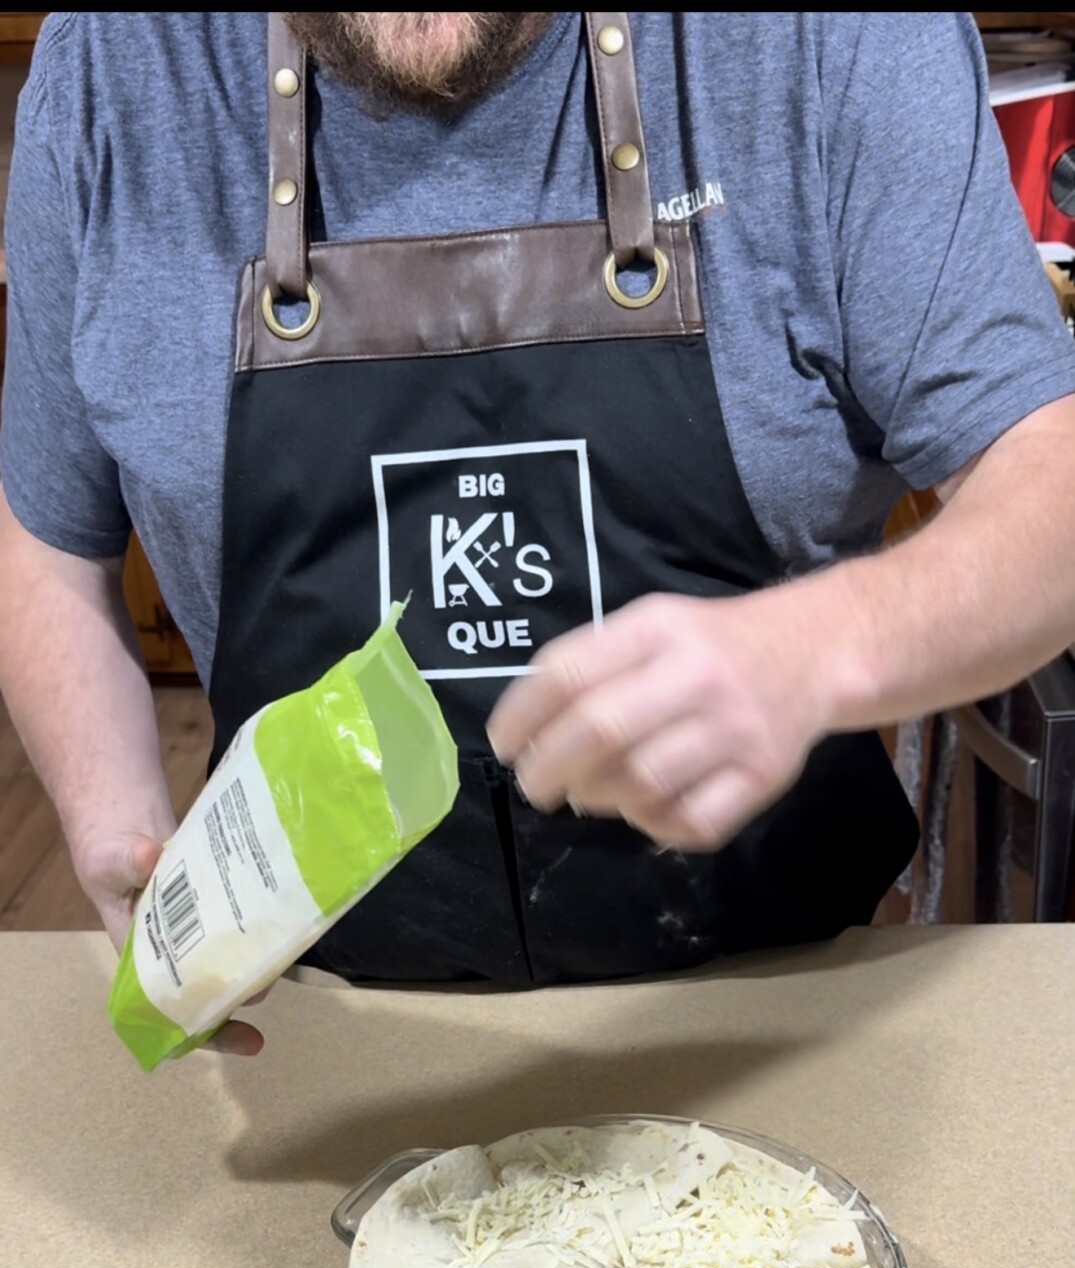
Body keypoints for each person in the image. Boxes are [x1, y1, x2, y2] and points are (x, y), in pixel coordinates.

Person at [2, 11, 1073, 1056]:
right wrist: (115, 823)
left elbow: (1049, 480)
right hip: (318, 1034)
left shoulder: (823, 37)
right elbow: (45, 538)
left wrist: (820, 646)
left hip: (781, 1019)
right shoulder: (113, 66)